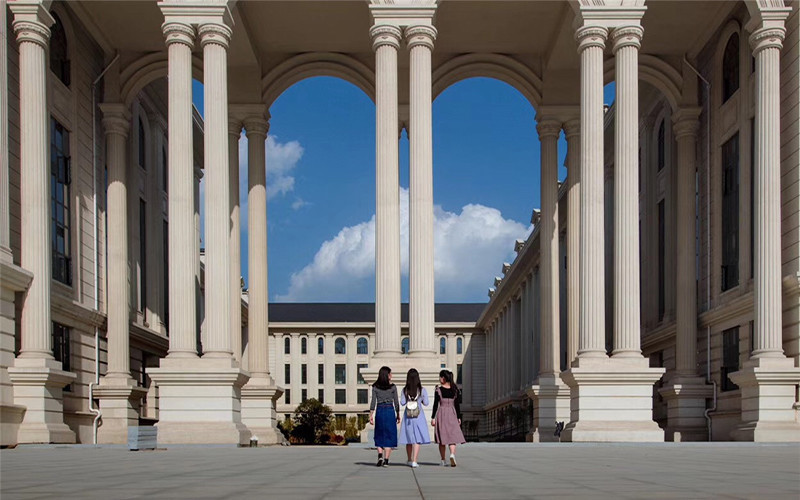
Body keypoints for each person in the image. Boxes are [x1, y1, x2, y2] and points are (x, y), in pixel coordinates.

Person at [431, 369, 465, 467]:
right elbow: (457, 405)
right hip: (452, 413)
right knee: (452, 436)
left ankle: (443, 460)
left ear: (443, 378)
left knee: (442, 438)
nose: (439, 379)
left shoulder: (438, 390)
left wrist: (433, 417)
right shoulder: (455, 390)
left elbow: (435, 405)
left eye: (440, 377)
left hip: (442, 413)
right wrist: (458, 417)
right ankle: (452, 454)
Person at [398, 368, 430, 468]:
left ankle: (409, 459)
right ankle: (415, 461)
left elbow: (402, 403)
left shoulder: (405, 390)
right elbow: (426, 403)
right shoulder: (422, 390)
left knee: (409, 439)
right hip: (419, 416)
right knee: (417, 439)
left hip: (408, 417)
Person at [369, 366, 400, 467]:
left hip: (380, 410)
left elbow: (373, 402)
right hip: (390, 410)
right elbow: (396, 402)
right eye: (390, 374)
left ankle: (380, 455)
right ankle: (386, 460)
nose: (392, 376)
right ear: (387, 375)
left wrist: (371, 415)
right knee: (390, 435)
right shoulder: (393, 387)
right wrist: (398, 414)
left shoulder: (375, 387)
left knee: (379, 433)